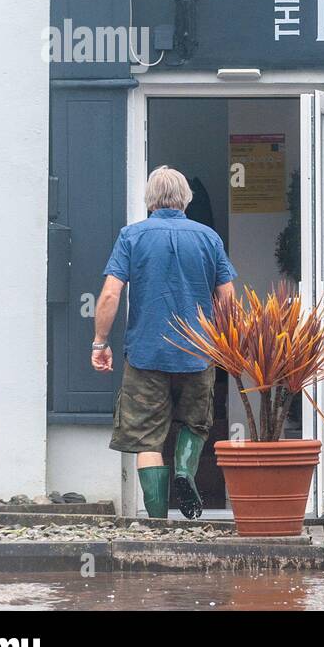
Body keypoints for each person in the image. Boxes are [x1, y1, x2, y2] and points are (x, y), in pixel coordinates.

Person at [91, 166, 236, 519]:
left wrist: (100, 342)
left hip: (145, 352)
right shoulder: (208, 238)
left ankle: (157, 521)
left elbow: (111, 294)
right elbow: (228, 298)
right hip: (198, 351)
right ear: (186, 198)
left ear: (149, 200)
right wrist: (226, 344)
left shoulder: (132, 236)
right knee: (195, 422)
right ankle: (185, 472)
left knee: (146, 438)